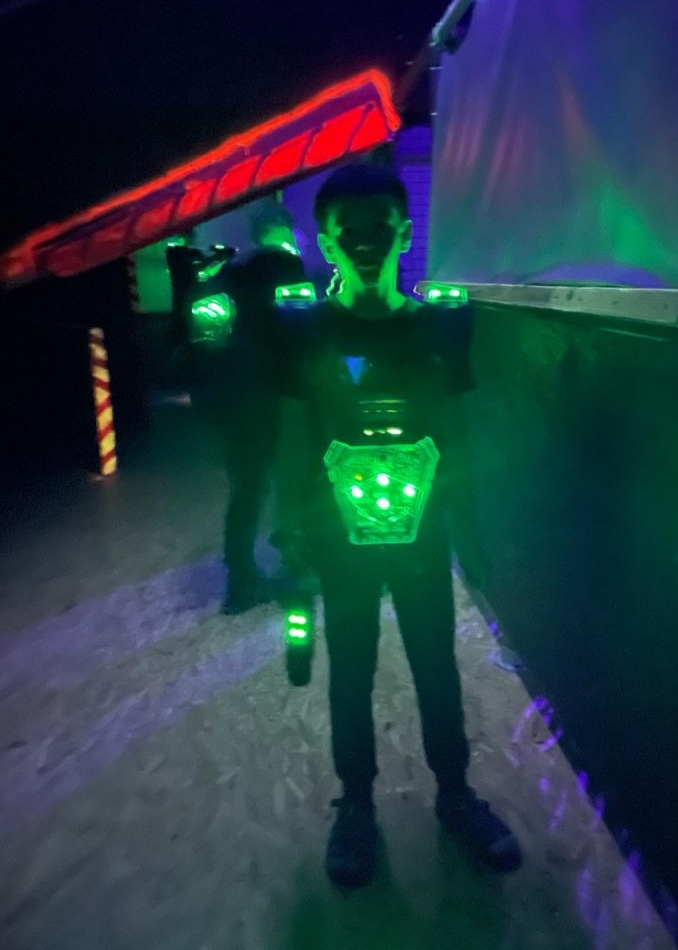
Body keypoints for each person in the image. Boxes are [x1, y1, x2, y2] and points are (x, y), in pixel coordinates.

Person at [272, 163, 522, 889]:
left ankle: (456, 794)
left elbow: (455, 431)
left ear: (405, 232)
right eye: (347, 230)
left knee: (435, 664)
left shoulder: (440, 326)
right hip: (337, 535)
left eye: (379, 226)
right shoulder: (305, 328)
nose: (365, 241)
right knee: (350, 670)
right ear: (325, 241)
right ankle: (355, 804)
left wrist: (471, 529)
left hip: (423, 533)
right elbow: (294, 437)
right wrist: (289, 531)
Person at [207, 201, 309, 613]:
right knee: (293, 484)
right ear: (283, 230)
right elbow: (303, 330)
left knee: (246, 492)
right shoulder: (291, 268)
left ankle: (240, 583)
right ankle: (295, 567)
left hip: (236, 393)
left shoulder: (231, 273)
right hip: (280, 393)